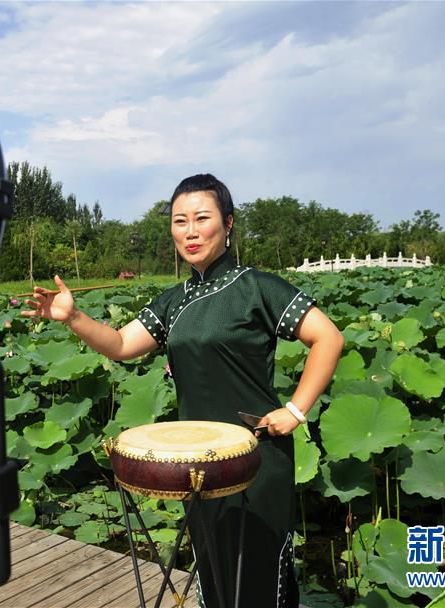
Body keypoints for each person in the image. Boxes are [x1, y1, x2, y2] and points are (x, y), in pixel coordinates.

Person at [21, 174, 344, 608]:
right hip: (199, 463)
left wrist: (296, 410)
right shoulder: (174, 301)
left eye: (202, 218)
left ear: (228, 224)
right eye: (179, 221)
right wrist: (73, 318)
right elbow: (120, 345)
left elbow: (328, 338)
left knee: (260, 577)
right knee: (215, 571)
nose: (190, 231)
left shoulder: (258, 288)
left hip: (255, 456)